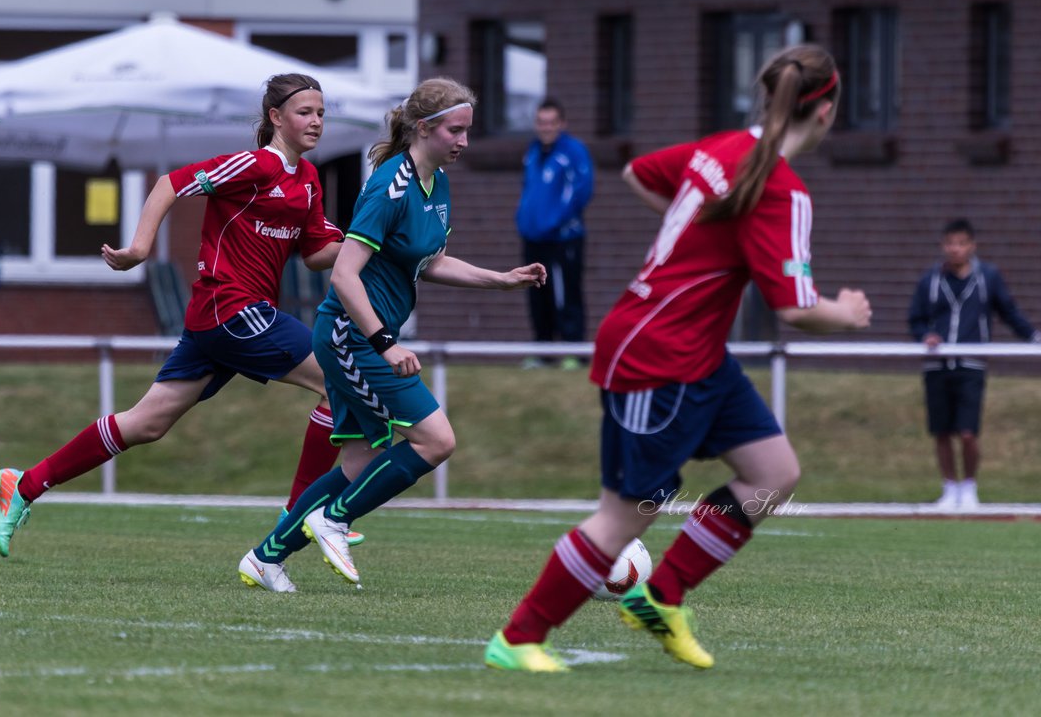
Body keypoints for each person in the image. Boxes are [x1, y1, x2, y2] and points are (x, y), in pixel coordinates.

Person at [484, 44, 872, 673]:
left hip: (698, 354)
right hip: (656, 353)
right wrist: (848, 312)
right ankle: (519, 638)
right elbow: (797, 308)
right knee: (624, 517)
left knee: (773, 473)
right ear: (826, 109)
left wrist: (699, 238)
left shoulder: (720, 150)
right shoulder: (782, 190)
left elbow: (639, 172)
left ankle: (660, 598)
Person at [0, 73, 364, 556]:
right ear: (275, 117)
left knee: (146, 423)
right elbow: (171, 184)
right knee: (340, 381)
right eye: (304, 113)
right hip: (231, 309)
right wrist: (140, 248)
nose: (316, 122)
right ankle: (300, 513)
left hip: (226, 320)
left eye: (320, 114)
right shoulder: (253, 165)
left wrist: (372, 244)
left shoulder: (307, 180)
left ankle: (23, 485)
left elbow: (317, 253)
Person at [238, 77, 546, 593]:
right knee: (435, 439)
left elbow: (431, 261)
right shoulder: (389, 185)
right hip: (349, 336)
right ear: (424, 128)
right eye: (456, 131)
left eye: (467, 131)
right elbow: (343, 274)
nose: (464, 142)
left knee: (358, 461)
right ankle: (333, 520)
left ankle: (266, 557)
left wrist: (501, 279)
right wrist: (386, 341)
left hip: (361, 336)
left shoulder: (436, 182)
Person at [907, 218, 1039, 511]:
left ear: (972, 245)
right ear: (944, 246)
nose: (955, 249)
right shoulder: (930, 279)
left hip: (971, 365)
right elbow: (915, 318)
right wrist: (924, 336)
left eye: (961, 243)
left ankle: (968, 487)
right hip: (937, 365)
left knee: (967, 432)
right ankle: (949, 487)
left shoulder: (987, 277)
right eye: (950, 243)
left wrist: (1033, 337)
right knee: (941, 431)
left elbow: (1008, 311)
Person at [515, 98, 593, 370]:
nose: (545, 127)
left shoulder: (573, 152)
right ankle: (543, 351)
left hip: (563, 238)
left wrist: (553, 222)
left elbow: (580, 193)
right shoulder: (533, 152)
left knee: (567, 294)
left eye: (551, 122)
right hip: (534, 238)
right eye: (541, 122)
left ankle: (573, 351)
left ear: (561, 124)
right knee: (537, 294)